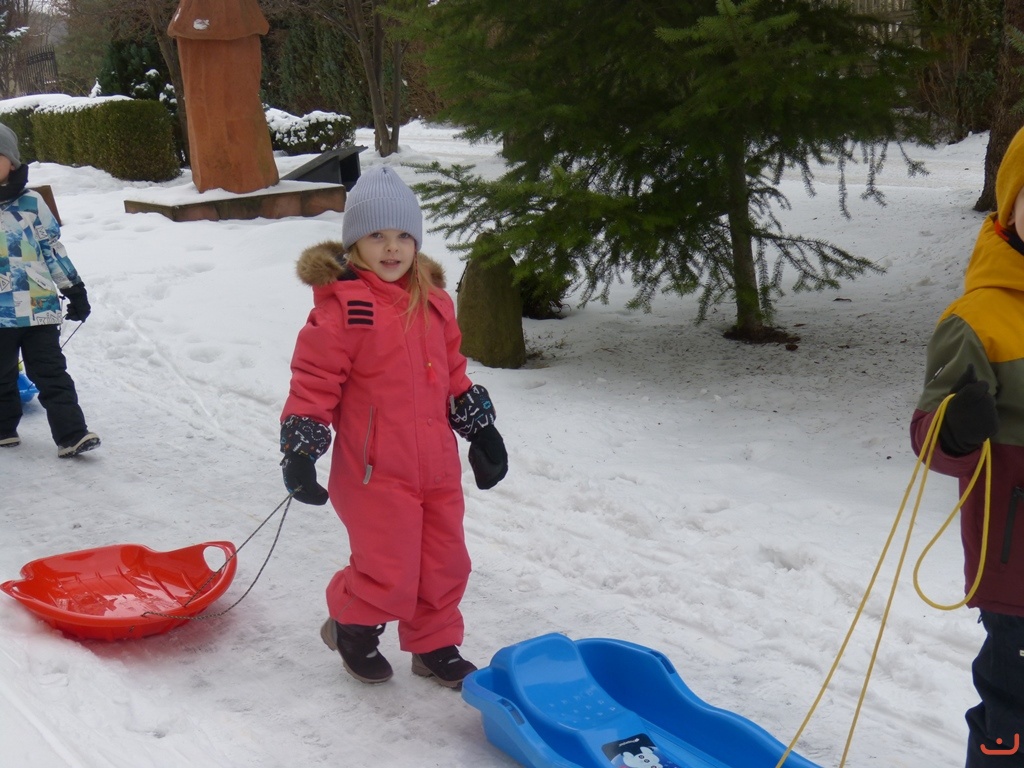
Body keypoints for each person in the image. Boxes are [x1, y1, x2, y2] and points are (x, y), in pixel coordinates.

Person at [279, 166, 508, 688]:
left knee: (445, 562)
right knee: (389, 567)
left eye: (404, 235)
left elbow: (453, 374)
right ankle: (352, 627)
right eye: (377, 235)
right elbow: (314, 383)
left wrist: (482, 430)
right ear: (354, 243)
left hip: (436, 467)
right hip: (373, 472)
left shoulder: (435, 302)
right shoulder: (344, 310)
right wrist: (301, 450)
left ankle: (435, 646)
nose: (392, 247)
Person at [911, 124, 1024, 767]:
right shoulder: (978, 319)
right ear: (1010, 208)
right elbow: (930, 436)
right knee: (1014, 716)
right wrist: (954, 428)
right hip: (1018, 572)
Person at [0, 123, 99, 458]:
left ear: (12, 161)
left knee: (52, 373)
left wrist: (74, 289)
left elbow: (52, 249)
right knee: (1, 376)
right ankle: (3, 428)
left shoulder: (31, 203)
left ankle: (72, 435)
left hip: (38, 307)